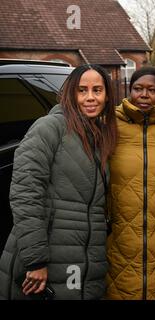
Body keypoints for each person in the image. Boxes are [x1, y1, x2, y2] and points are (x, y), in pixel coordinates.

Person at [0, 64, 117, 299]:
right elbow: (26, 194)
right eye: (82, 90)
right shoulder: (49, 127)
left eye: (97, 90)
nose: (90, 97)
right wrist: (35, 261)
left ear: (107, 96)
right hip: (46, 261)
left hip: (83, 260)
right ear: (70, 94)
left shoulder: (100, 135)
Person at [104, 67, 155, 300]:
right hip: (120, 233)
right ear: (130, 91)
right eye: (138, 88)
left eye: (152, 90)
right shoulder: (109, 124)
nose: (144, 94)